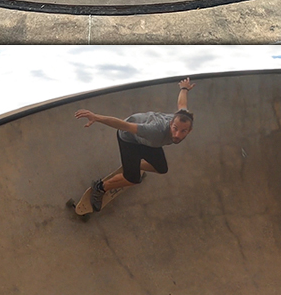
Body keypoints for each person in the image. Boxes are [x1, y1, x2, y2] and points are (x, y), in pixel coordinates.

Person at [74, 77, 195, 211]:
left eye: (183, 131)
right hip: (130, 139)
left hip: (148, 142)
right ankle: (100, 187)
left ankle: (133, 166)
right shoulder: (155, 131)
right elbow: (123, 125)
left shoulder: (182, 117)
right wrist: (97, 117)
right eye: (175, 129)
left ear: (190, 130)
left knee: (161, 169)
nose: (177, 135)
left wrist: (184, 88)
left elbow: (182, 104)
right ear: (171, 123)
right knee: (133, 179)